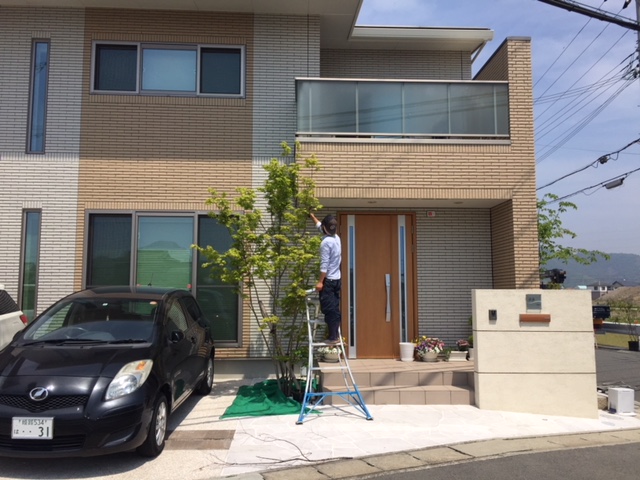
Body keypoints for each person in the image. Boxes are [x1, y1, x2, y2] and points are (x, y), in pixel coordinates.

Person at [310, 212, 342, 344]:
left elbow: (324, 265)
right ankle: (336, 334)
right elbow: (320, 227)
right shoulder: (336, 238)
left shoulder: (325, 243)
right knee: (334, 307)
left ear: (325, 228)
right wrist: (312, 217)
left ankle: (333, 337)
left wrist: (320, 282)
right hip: (337, 280)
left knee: (329, 309)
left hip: (328, 281)